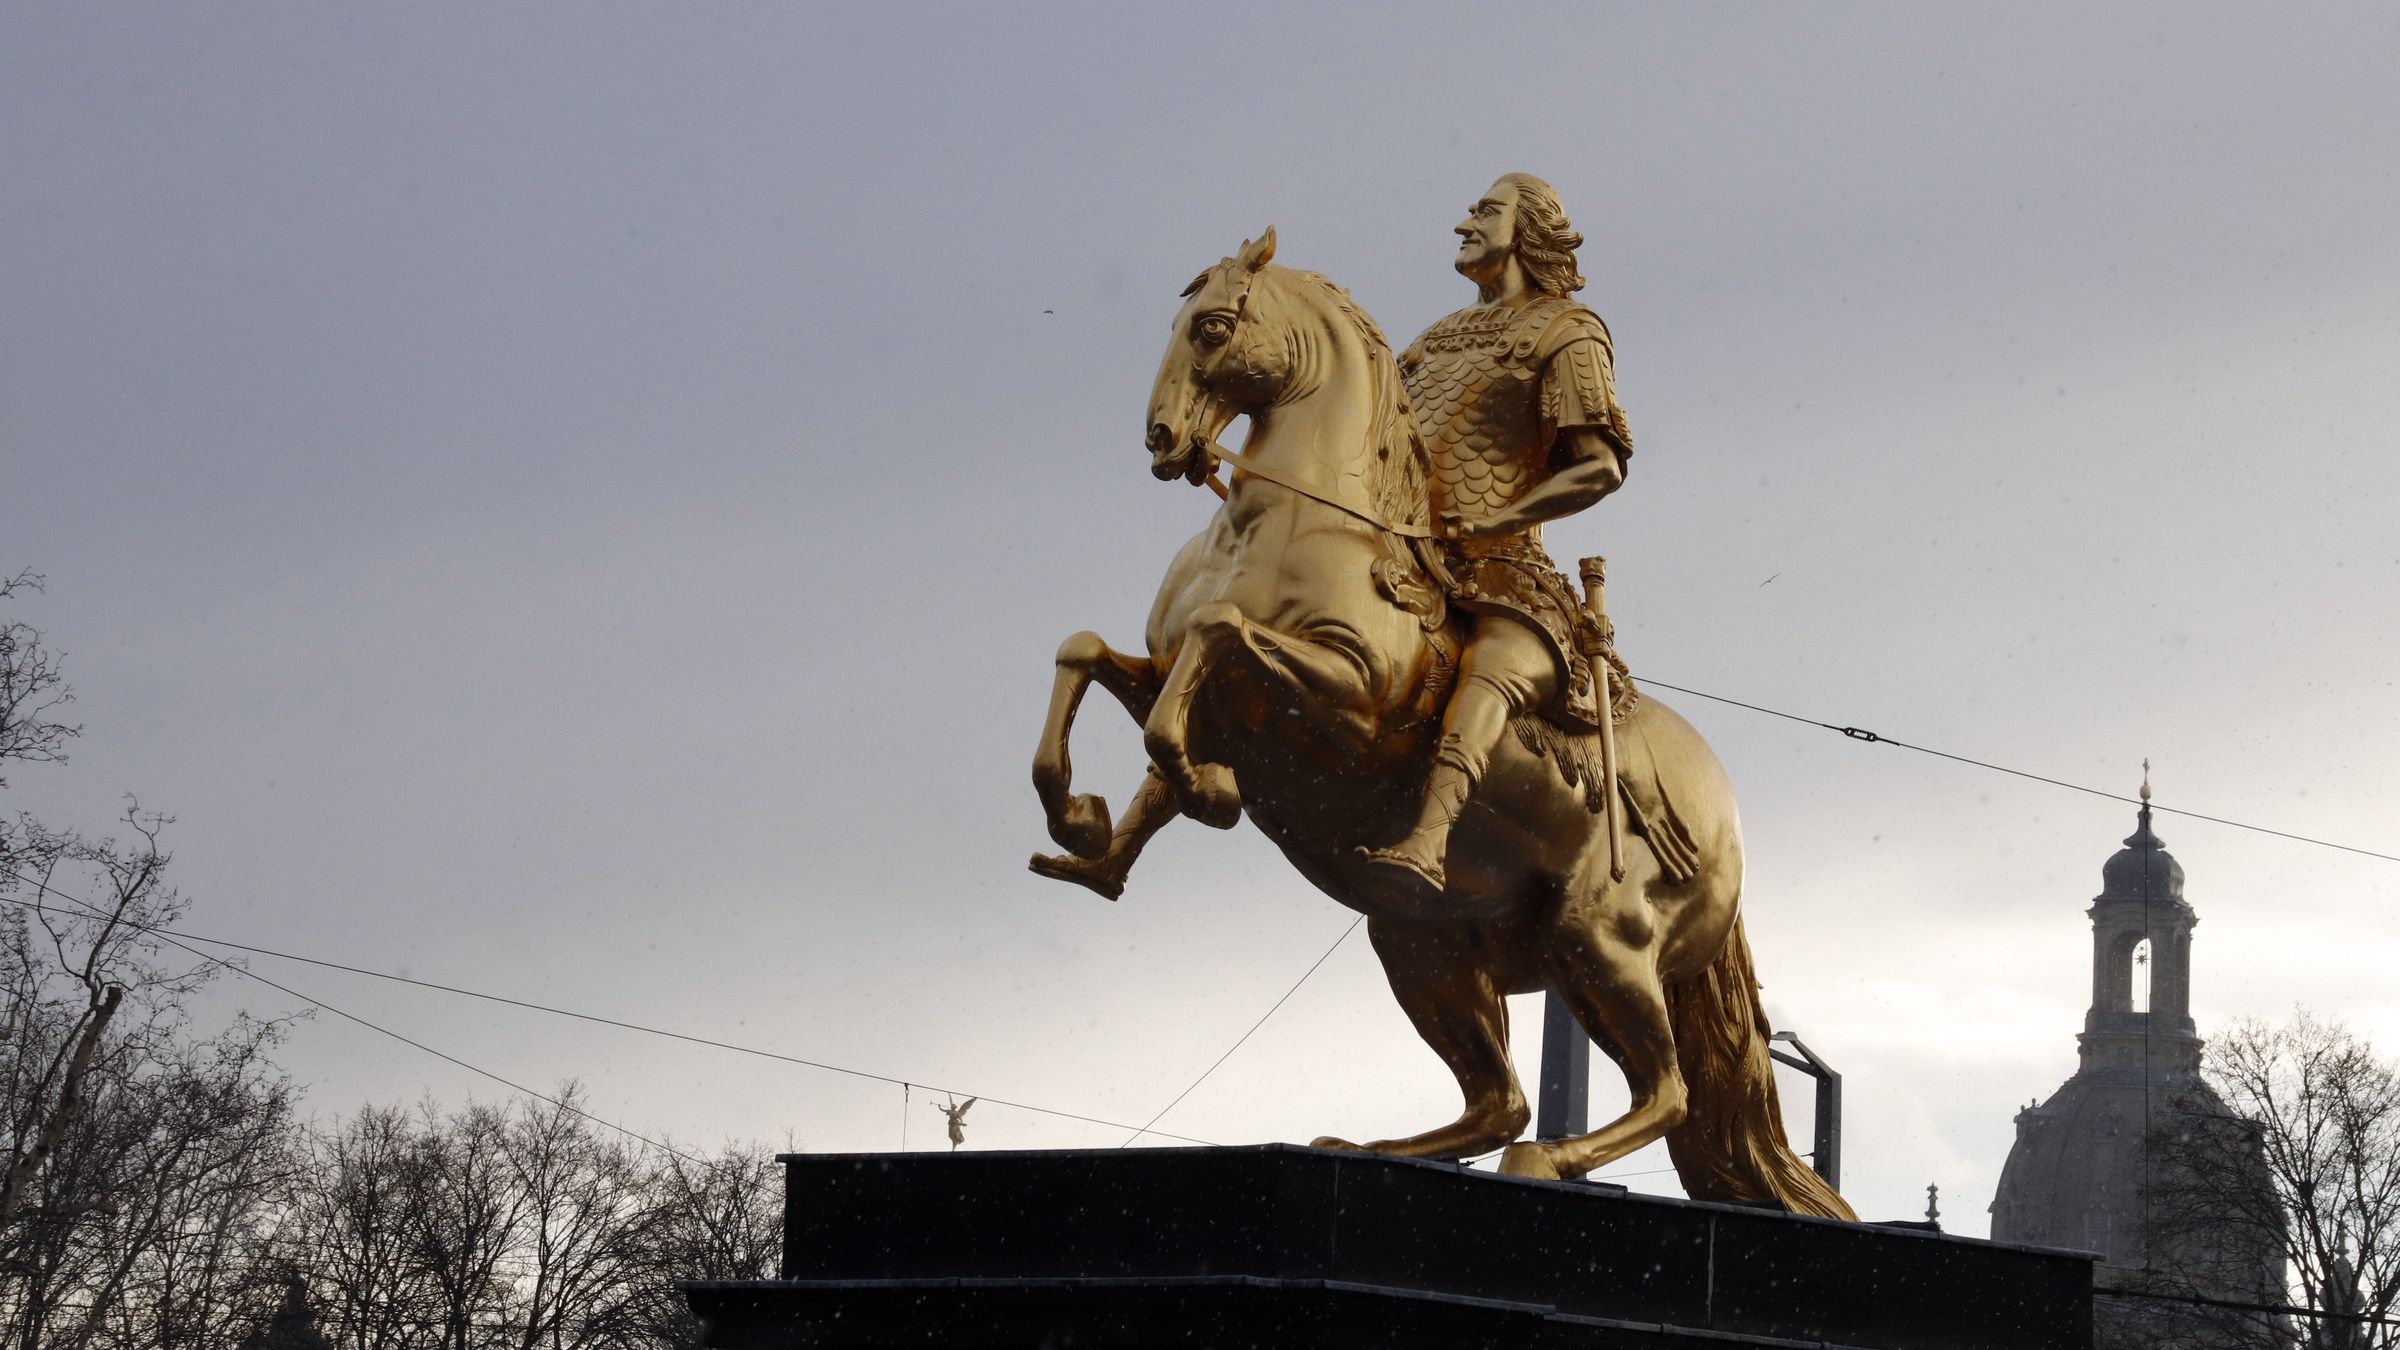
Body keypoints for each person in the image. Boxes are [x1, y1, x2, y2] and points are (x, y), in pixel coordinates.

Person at [1359, 173, 1634, 895]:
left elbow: (1600, 465)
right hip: (1410, 554)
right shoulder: (1433, 340)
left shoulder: (1566, 331)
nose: (1464, 223)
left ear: (1528, 229)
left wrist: (1504, 517)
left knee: (1491, 669)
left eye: (1485, 210)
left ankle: (1429, 838)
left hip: (1506, 570)